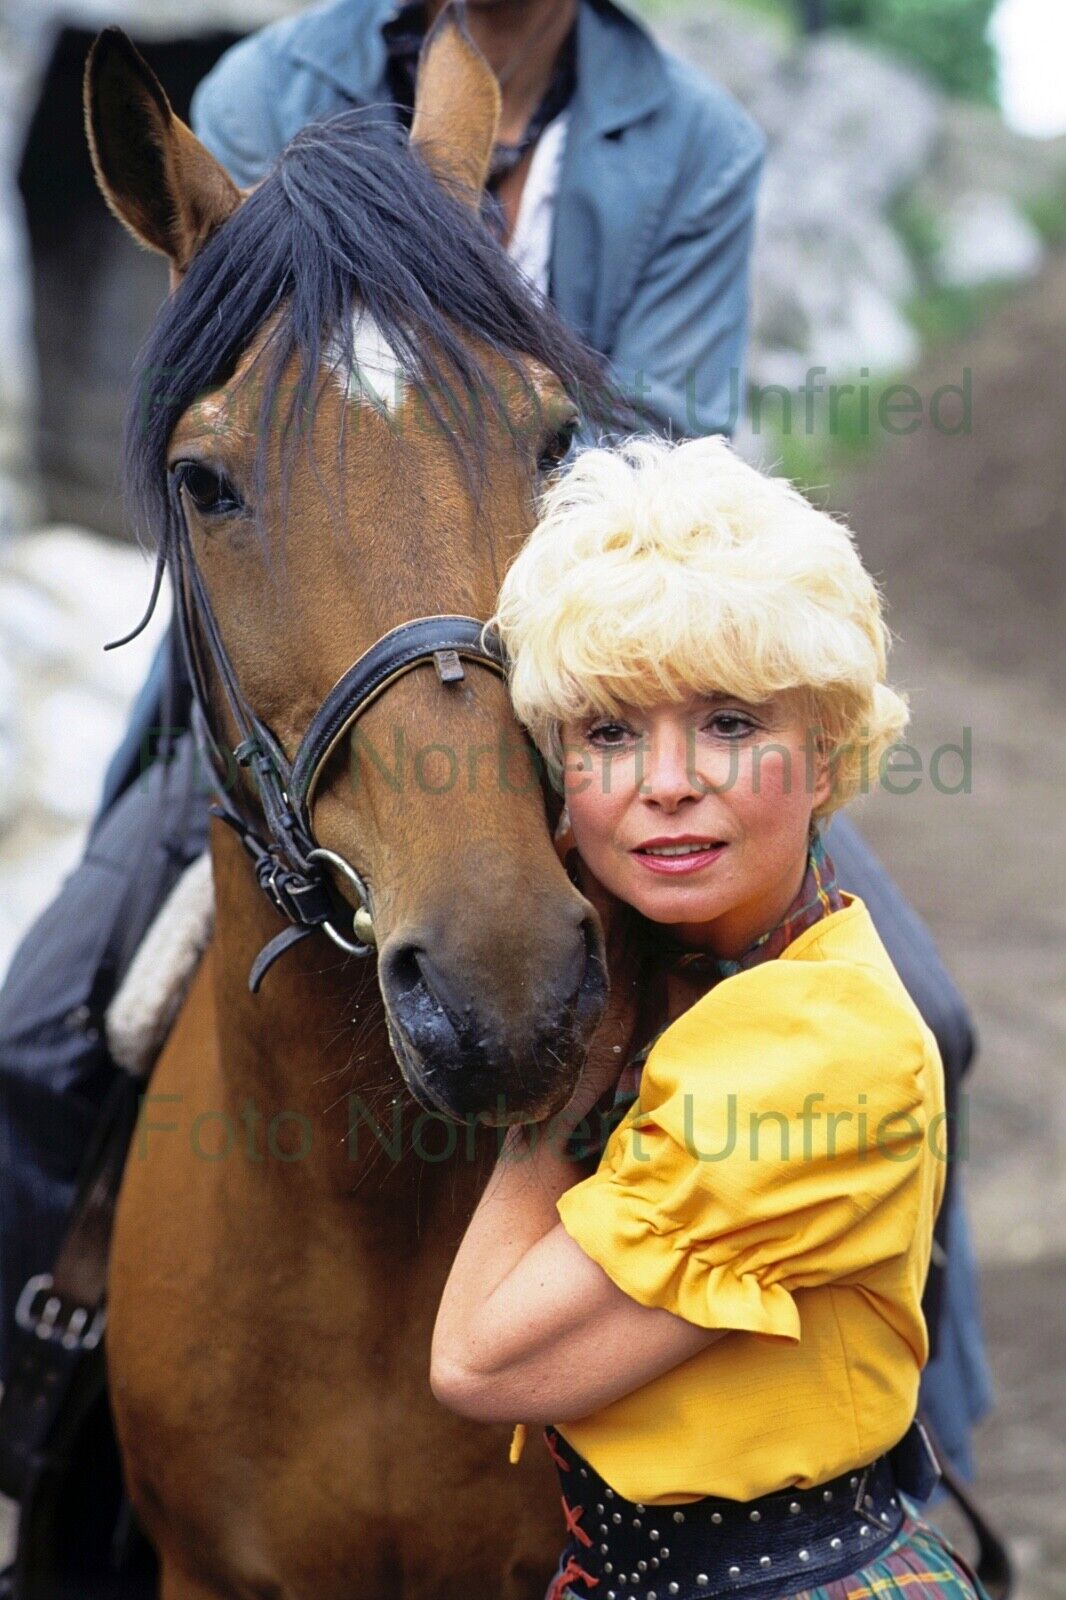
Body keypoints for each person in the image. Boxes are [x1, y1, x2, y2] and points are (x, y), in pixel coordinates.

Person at [0, 0, 990, 1484]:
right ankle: (51, 1423)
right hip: (298, 693)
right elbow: (264, 404)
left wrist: (529, 535)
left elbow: (669, 440)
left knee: (926, 1014)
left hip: (594, 672)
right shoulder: (281, 81)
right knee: (40, 1028)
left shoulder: (692, 144)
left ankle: (906, 1440)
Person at [433, 433, 989, 1600]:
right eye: (609, 732)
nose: (665, 781)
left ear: (823, 756)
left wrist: (567, 1080)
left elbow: (478, 1358)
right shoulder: (697, 971)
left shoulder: (811, 1046)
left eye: (730, 725)